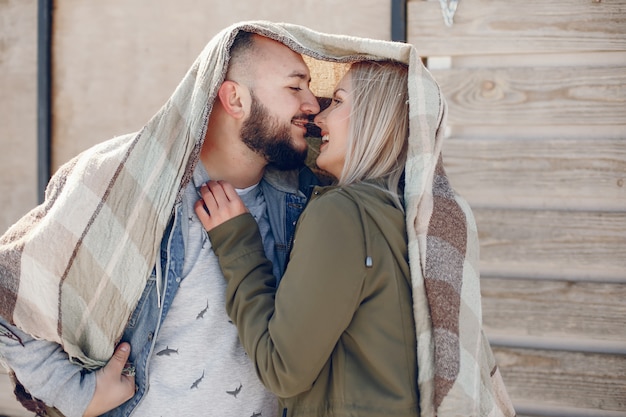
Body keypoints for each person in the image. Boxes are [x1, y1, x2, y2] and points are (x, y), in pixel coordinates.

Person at [0, 27, 320, 417]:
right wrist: (74, 393)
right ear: (234, 98)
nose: (312, 104)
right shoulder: (125, 180)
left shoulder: (309, 197)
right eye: (295, 87)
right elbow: (7, 297)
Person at [195, 60, 419, 417]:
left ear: (375, 121)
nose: (320, 118)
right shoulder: (394, 210)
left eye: (339, 102)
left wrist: (239, 245)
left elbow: (282, 370)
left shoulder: (343, 213)